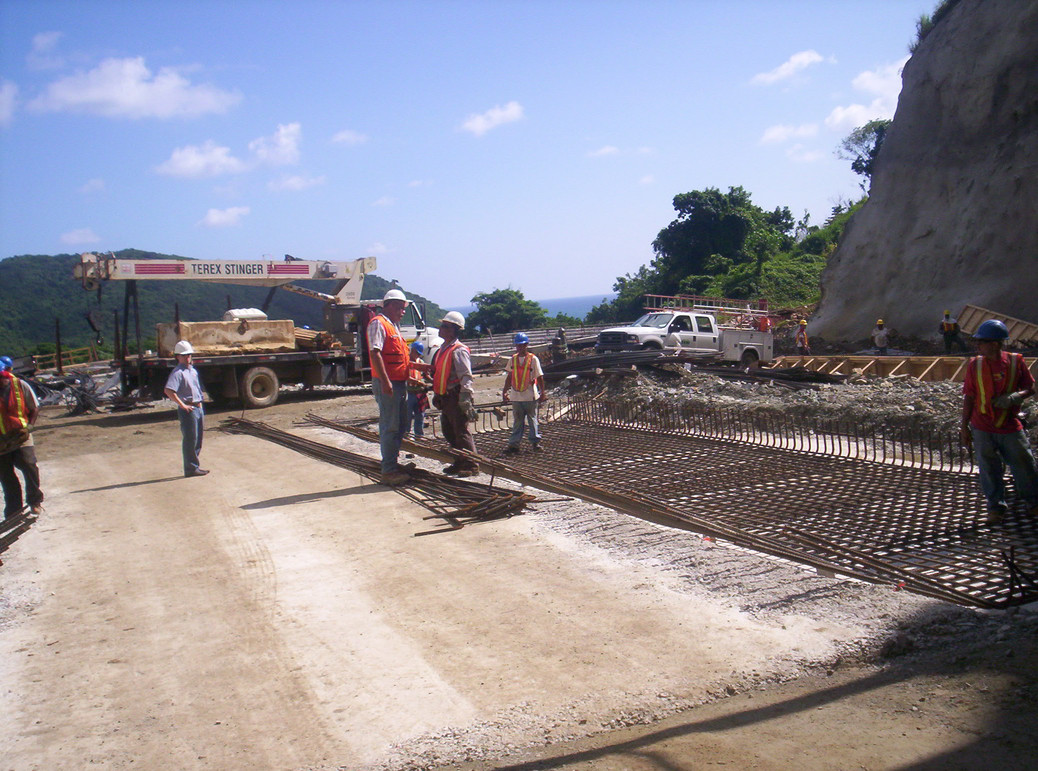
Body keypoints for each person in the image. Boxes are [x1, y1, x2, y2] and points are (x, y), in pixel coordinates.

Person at [960, 319, 1038, 524]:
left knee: (1024, 463)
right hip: (982, 426)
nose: (978, 346)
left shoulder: (1015, 361)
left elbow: (1030, 388)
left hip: (1009, 424)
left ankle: (1033, 503)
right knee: (988, 468)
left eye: (981, 342)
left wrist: (1014, 397)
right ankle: (996, 507)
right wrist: (964, 427)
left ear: (994, 343)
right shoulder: (974, 365)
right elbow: (969, 396)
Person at [367, 289, 413, 486]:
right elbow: (376, 353)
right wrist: (386, 382)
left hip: (398, 383)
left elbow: (399, 359)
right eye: (401, 308)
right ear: (391, 305)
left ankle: (392, 463)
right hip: (388, 383)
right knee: (390, 426)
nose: (403, 312)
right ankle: (389, 470)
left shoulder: (393, 325)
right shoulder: (379, 323)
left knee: (402, 425)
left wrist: (415, 372)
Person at [430, 311, 479, 477]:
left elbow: (466, 375)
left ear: (452, 330)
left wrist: (465, 396)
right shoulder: (444, 349)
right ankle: (459, 461)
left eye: (444, 326)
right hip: (446, 396)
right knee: (449, 430)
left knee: (461, 431)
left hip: (456, 395)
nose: (440, 328)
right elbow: (438, 372)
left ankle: (471, 465)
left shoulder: (458, 350)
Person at [1, 355, 44, 519]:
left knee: (29, 465)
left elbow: (34, 408)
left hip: (21, 435)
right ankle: (14, 511)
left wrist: (30, 427)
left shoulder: (21, 386)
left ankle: (35, 501)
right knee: (6, 475)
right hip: (1, 440)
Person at [163, 341, 209, 477]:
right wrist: (182, 405)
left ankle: (194, 466)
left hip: (197, 407)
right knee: (191, 439)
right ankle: (190, 468)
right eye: (184, 356)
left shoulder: (192, 371)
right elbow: (168, 390)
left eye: (189, 355)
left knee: (198, 439)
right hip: (188, 409)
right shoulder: (178, 373)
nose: (187, 358)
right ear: (177, 356)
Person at [502, 332, 546, 454]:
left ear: (526, 345)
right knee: (518, 422)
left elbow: (540, 376)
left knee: (532, 420)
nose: (520, 348)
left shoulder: (533, 359)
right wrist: (504, 392)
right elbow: (509, 377)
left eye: (522, 345)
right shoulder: (513, 360)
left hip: (530, 396)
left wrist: (542, 392)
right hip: (516, 397)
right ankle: (514, 445)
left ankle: (535, 443)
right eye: (518, 345)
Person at [405, 341, 429, 438]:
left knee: (420, 416)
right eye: (417, 352)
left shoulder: (421, 362)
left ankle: (419, 436)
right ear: (412, 350)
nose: (418, 355)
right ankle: (406, 436)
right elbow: (405, 376)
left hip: (420, 394)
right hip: (409, 393)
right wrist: (418, 382)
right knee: (407, 417)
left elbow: (426, 375)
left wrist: (433, 381)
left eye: (419, 353)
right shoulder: (406, 362)